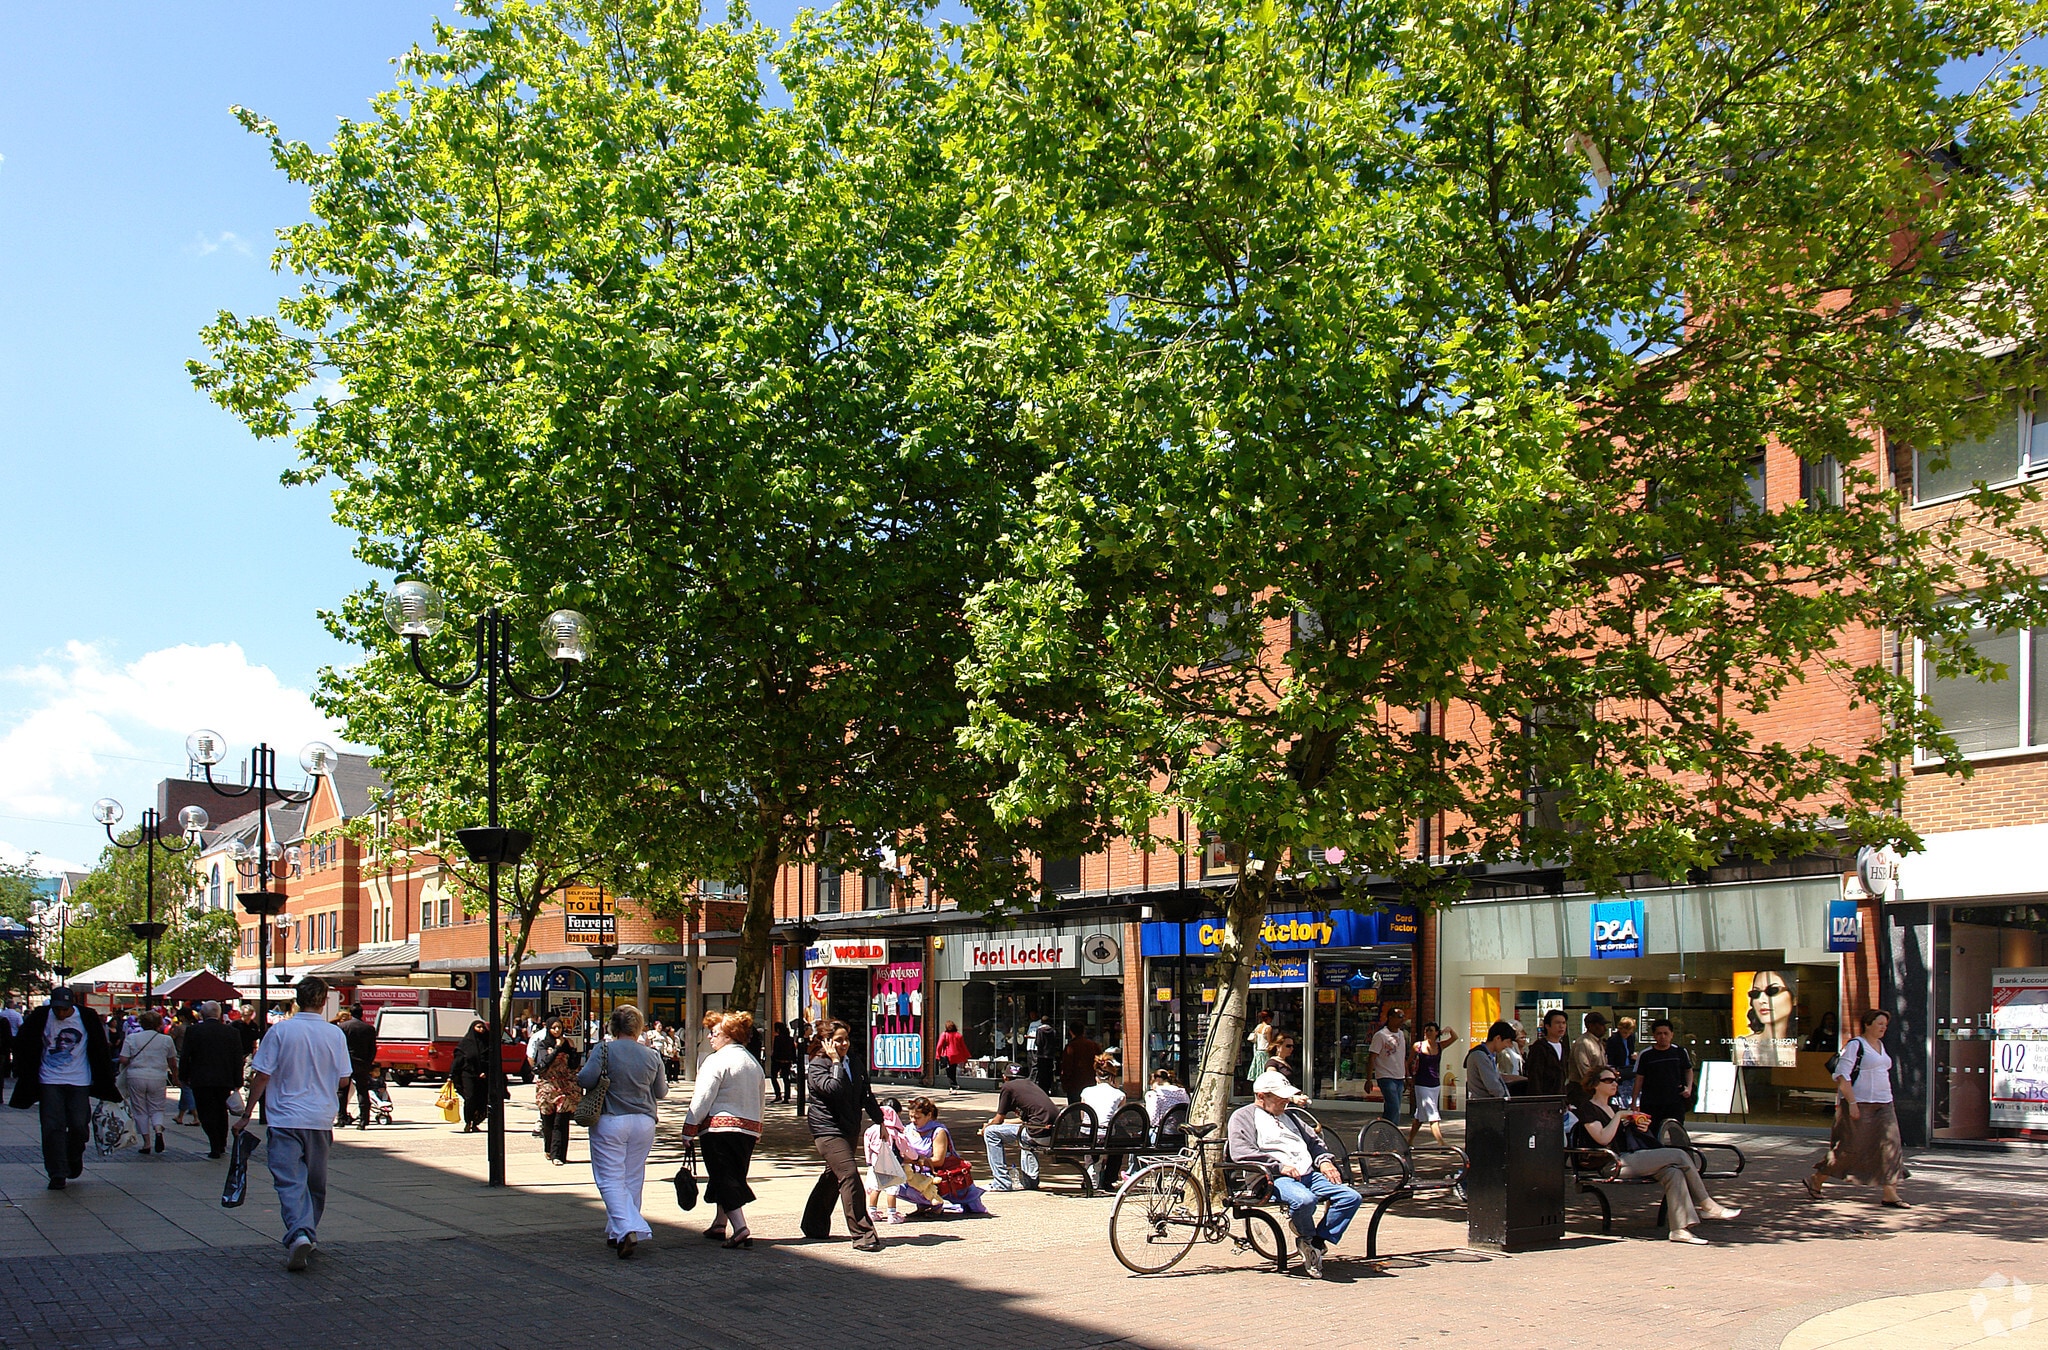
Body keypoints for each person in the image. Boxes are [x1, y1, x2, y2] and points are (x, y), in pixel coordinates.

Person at [235, 977, 354, 1271]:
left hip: (285, 1116)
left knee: (288, 1180)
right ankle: (307, 1231)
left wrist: (247, 1112)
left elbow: (261, 1075)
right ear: (324, 1000)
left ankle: (300, 1232)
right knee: (316, 1182)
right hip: (320, 1117)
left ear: (297, 999)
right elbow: (343, 1078)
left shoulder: (280, 1032)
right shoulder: (334, 1034)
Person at [1574, 1067, 1739, 1244]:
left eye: (1616, 1080)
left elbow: (1625, 1137)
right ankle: (1706, 1203)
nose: (1614, 1084)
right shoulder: (1588, 1109)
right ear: (1595, 1084)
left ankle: (1679, 1230)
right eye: (1608, 1080)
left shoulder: (1614, 1108)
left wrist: (1638, 1126)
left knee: (1673, 1172)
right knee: (1679, 1155)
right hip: (1610, 1163)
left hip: (1630, 1157)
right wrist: (1620, 1116)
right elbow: (1602, 1138)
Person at [1228, 1069, 1361, 1279]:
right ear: (1262, 1096)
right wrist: (1278, 1166)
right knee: (1304, 1200)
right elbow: (1241, 1152)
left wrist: (1325, 1161)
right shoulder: (1243, 1116)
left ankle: (1314, 1243)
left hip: (1307, 1173)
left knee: (1350, 1197)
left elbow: (1315, 1142)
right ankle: (1307, 1236)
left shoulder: (1291, 1117)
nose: (1286, 1102)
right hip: (1272, 1178)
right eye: (1280, 1099)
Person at [577, 1005, 669, 1258]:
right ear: (638, 1027)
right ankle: (617, 1230)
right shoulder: (652, 1055)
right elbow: (661, 1092)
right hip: (644, 1121)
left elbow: (585, 1079)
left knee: (609, 1178)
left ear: (612, 1027)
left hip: (611, 1118)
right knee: (633, 1176)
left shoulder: (604, 1050)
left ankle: (627, 1226)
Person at [8, 987, 119, 1189]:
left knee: (78, 1124)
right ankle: (57, 1173)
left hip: (79, 1080)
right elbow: (23, 1041)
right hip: (49, 1079)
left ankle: (73, 1156)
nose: (60, 1013)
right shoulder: (41, 1016)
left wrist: (106, 1078)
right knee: (52, 1127)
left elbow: (100, 1047)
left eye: (64, 1009)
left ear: (72, 1005)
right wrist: (22, 1068)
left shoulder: (86, 1016)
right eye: (57, 1009)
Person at [1806, 1009, 1909, 1209]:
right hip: (1860, 1103)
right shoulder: (1855, 1045)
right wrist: (1852, 1103)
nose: (1883, 1028)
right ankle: (1817, 1179)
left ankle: (1890, 1192)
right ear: (1867, 1024)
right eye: (1879, 1024)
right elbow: (1842, 1076)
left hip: (1884, 1102)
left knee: (1891, 1146)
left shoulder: (1880, 1045)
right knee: (1848, 1148)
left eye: (1885, 1025)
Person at [684, 1009, 766, 1249]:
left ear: (729, 1035)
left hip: (718, 1130)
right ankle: (720, 1224)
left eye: (714, 1033)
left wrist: (689, 1128)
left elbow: (702, 1098)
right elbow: (760, 1100)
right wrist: (757, 1129)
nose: (710, 1038)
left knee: (724, 1176)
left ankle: (740, 1227)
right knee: (732, 1174)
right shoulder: (753, 1063)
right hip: (748, 1130)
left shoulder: (716, 1060)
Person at [802, 1018, 886, 1251]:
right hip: (826, 1129)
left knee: (833, 1176)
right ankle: (863, 1234)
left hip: (849, 1127)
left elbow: (865, 1094)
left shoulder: (854, 1062)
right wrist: (836, 1061)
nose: (844, 1044)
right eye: (838, 1040)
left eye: (846, 1039)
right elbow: (833, 1089)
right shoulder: (818, 1065)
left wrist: (881, 1120)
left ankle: (813, 1224)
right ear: (826, 1041)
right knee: (849, 1174)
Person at [179, 1001, 244, 1159]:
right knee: (221, 1111)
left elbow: (185, 1055)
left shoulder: (194, 1031)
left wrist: (183, 1076)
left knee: (205, 1112)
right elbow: (237, 1058)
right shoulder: (231, 1032)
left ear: (202, 1014)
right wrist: (238, 1080)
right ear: (220, 1014)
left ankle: (215, 1143)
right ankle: (221, 1142)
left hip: (201, 1079)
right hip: (224, 1079)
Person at [983, 1063, 1059, 1191]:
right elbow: (1023, 1120)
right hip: (1054, 1133)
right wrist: (1006, 1123)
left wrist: (987, 1126)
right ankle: (1031, 1182)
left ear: (1004, 1077)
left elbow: (998, 1119)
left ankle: (1001, 1182)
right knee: (1025, 1137)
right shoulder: (1030, 1084)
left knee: (991, 1133)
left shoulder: (1008, 1087)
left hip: (1037, 1133)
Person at [117, 1012, 176, 1155]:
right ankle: (158, 1130)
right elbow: (172, 1062)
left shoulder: (132, 1038)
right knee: (157, 1108)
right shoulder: (166, 1040)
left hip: (136, 1075)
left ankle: (146, 1143)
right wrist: (176, 1077)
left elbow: (123, 1059)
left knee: (140, 1110)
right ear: (159, 1024)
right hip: (158, 1076)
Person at [533, 1017, 583, 1165]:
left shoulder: (567, 1044)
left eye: (559, 1028)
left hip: (565, 1087)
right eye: (554, 1028)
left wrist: (573, 1050)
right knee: (548, 1121)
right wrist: (556, 1048)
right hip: (548, 1087)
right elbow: (543, 1063)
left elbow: (574, 1065)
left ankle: (558, 1155)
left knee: (561, 1121)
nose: (557, 1031)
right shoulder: (543, 1044)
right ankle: (549, 1149)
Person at [1634, 1019, 1695, 1138]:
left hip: (1675, 1102)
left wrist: (1689, 1088)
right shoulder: (1646, 1055)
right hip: (1652, 1103)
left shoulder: (1679, 1052)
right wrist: (1634, 1100)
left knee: (1677, 1134)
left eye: (1666, 1033)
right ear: (1654, 1035)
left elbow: (1688, 1070)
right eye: (1659, 1033)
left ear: (1671, 1034)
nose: (1662, 1036)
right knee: (1652, 1133)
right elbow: (1639, 1078)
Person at [1079, 1052, 1128, 1187]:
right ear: (1112, 1076)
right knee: (1120, 1140)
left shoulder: (1086, 1091)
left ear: (1096, 1077)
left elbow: (1083, 1116)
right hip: (1107, 1135)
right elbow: (1121, 1119)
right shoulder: (1120, 1094)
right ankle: (1109, 1178)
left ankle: (1090, 1176)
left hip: (1088, 1134)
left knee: (1090, 1137)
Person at [1407, 1022, 1456, 1147]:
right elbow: (1409, 1062)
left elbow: (1454, 1037)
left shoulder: (1440, 1046)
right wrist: (1408, 1077)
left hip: (1435, 1084)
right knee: (1432, 1114)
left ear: (1436, 1033)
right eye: (1426, 1030)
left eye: (1431, 1030)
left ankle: (1408, 1142)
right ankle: (1441, 1143)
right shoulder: (1417, 1046)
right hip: (1421, 1084)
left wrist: (1449, 1029)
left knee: (1420, 1116)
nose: (1428, 1032)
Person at [336, 1004, 379, 1130]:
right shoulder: (369, 1029)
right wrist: (368, 1063)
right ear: (362, 1013)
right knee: (362, 1091)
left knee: (342, 1092)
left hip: (346, 1062)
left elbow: (339, 1047)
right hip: (362, 1064)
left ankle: (341, 1118)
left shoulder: (343, 1027)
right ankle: (364, 1120)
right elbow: (373, 1048)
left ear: (351, 1013)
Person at [451, 1018, 495, 1133]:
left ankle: (476, 1122)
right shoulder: (466, 1044)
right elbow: (458, 1060)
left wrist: (485, 1071)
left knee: (482, 1100)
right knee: (470, 1098)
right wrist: (452, 1075)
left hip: (484, 1077)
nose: (481, 1030)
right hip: (468, 1075)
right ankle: (468, 1121)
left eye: (482, 1027)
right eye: (478, 1027)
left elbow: (492, 1060)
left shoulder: (488, 1043)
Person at [1371, 1007, 1409, 1125]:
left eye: (1403, 1017)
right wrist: (1368, 1079)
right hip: (1386, 1076)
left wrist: (1407, 1075)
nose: (1402, 1020)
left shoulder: (1401, 1034)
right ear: (1390, 1018)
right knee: (1394, 1107)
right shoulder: (1381, 1035)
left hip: (1399, 1077)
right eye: (1399, 1017)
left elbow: (1402, 1056)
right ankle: (1390, 1134)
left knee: (1393, 1109)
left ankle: (1386, 1134)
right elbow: (1372, 1057)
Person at [1464, 1020, 1520, 1101]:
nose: (1509, 1046)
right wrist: (1505, 1098)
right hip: (1484, 1105)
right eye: (1507, 1042)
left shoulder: (1489, 1055)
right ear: (1497, 1038)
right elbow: (1493, 1085)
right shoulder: (1480, 1055)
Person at [1522, 1009, 1572, 1096]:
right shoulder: (1539, 1047)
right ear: (1547, 1026)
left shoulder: (1563, 1047)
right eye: (1557, 1023)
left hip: (1559, 1097)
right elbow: (1535, 1076)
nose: (1561, 1026)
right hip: (1544, 1097)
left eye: (1564, 1023)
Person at [1059, 1021, 1099, 1106]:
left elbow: (1067, 1067)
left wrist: (1065, 1082)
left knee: (1075, 1109)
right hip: (1090, 1083)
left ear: (1070, 1032)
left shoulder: (1071, 1047)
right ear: (1083, 1031)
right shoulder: (1093, 1045)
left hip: (1074, 1084)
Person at [1572, 1011, 1611, 1091]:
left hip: (1597, 1087)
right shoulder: (1583, 1043)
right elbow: (1585, 1072)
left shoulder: (1598, 1042)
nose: (1605, 1029)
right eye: (1601, 1025)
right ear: (1591, 1026)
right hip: (1583, 1089)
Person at [1606, 1016, 1639, 1108]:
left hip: (1629, 1068)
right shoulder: (1613, 1040)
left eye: (1629, 1032)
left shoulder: (1631, 1038)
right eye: (1625, 1032)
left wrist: (1634, 1057)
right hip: (1619, 1068)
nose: (1627, 1035)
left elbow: (1630, 1051)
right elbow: (1611, 1057)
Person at [769, 1021, 800, 1103]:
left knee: (774, 1077)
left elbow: (776, 1050)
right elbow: (793, 1050)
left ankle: (778, 1094)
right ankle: (786, 1096)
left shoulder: (777, 1038)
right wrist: (793, 1060)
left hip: (778, 1060)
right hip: (787, 1061)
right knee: (786, 1078)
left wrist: (773, 1058)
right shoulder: (790, 1039)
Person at [935, 1020, 969, 1090]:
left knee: (949, 1071)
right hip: (956, 1056)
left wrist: (938, 1055)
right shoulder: (958, 1035)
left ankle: (953, 1085)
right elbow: (963, 1046)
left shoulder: (944, 1035)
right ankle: (954, 1085)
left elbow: (939, 1046)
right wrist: (966, 1056)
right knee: (953, 1070)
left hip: (948, 1056)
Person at [1032, 1017, 1061, 1096]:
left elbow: (1038, 1042)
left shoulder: (1039, 1030)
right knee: (1049, 1072)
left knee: (1041, 1073)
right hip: (1050, 1055)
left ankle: (1042, 1089)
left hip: (1041, 1055)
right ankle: (1048, 1088)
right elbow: (1055, 1042)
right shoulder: (1053, 1031)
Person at [1246, 1010, 1276, 1081]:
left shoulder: (1258, 1027)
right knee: (1266, 1072)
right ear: (1268, 1018)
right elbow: (1269, 1042)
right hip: (1265, 1052)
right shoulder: (1268, 1028)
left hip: (1258, 1052)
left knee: (1258, 1071)